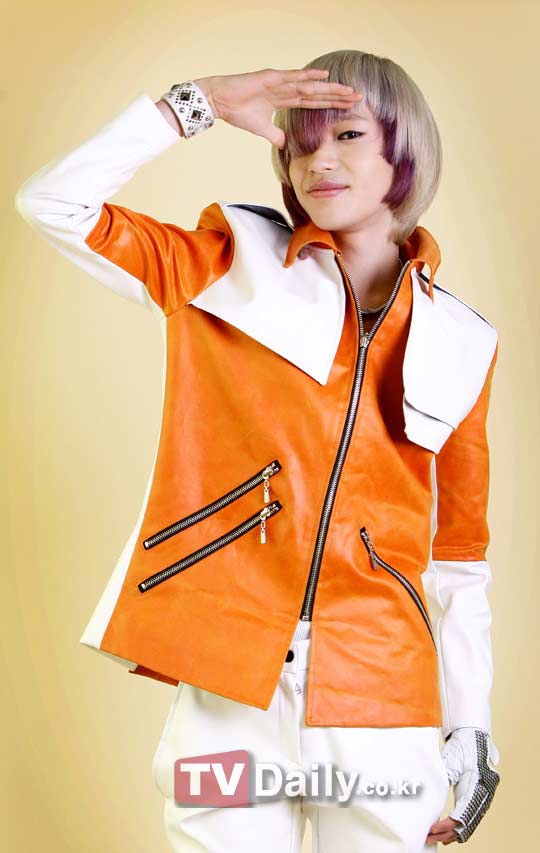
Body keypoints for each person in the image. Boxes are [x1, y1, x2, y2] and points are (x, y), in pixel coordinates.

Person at [15, 50, 501, 851]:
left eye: (347, 134)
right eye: (299, 143)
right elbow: (53, 203)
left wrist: (470, 724)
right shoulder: (229, 265)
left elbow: (458, 555)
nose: (319, 160)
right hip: (229, 695)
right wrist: (197, 103)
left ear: (404, 151)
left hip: (383, 706)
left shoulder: (463, 340)